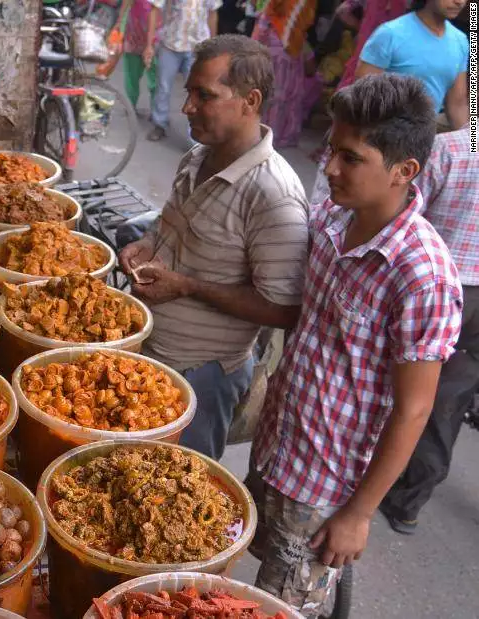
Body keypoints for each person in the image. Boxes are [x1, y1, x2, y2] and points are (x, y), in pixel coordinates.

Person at [250, 74, 462, 615]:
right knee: (252, 587)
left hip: (325, 488)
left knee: (281, 608)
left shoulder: (422, 275)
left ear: (404, 171)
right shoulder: (331, 216)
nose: (330, 168)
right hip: (277, 446)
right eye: (331, 150)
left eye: (351, 158)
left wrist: (360, 513)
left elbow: (414, 410)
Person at [118, 35, 309, 460]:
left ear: (250, 101)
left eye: (204, 96)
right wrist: (146, 245)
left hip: (202, 377)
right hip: (147, 354)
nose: (187, 107)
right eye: (189, 92)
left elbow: (284, 309)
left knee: (179, 483)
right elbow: (170, 227)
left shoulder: (273, 194)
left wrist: (186, 286)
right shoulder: (197, 157)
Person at [379, 127, 479, 534]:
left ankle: (372, 480)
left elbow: (407, 211)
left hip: (436, 285)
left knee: (402, 387)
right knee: (450, 397)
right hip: (463, 296)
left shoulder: (454, 147)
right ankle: (409, 503)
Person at [356, 0, 468, 129]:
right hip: (383, 133)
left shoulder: (460, 41)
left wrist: (471, 140)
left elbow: (457, 104)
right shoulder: (390, 34)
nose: (459, 2)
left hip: (424, 136)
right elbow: (362, 97)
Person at [143, 0, 223, 142]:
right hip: (170, 44)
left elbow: (213, 13)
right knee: (163, 87)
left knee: (198, 92)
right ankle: (159, 123)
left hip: (198, 47)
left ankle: (195, 135)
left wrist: (213, 46)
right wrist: (149, 45)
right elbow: (154, 9)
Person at [251, 0, 319, 148]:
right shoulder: (294, 31)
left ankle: (263, 137)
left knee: (270, 95)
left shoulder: (270, 19)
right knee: (280, 96)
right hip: (286, 52)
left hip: (275, 51)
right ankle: (276, 137)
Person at [116, 0, 160, 112]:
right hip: (133, 37)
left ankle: (156, 111)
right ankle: (131, 106)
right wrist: (119, 28)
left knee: (155, 78)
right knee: (132, 77)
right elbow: (124, 8)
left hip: (155, 39)